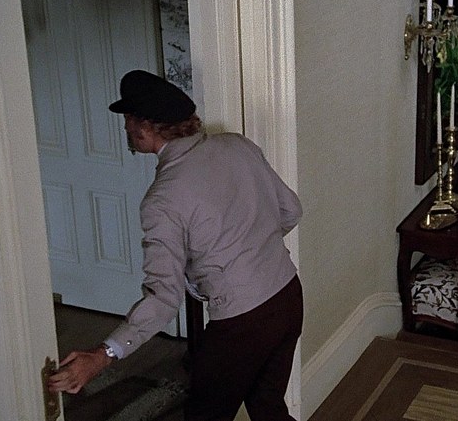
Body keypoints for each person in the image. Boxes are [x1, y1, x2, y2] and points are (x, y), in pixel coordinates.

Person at [48, 69, 304, 421]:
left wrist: (102, 356)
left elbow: (163, 299)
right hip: (288, 296)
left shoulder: (162, 199)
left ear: (144, 127)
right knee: (269, 408)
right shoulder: (236, 144)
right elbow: (291, 210)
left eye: (127, 119)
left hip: (242, 324)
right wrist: (251, 252)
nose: (125, 128)